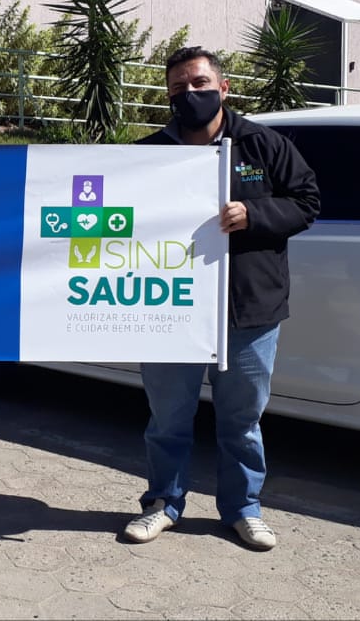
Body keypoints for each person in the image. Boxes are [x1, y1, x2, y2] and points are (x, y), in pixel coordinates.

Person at [123, 46, 319, 551]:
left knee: (242, 422)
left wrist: (255, 215)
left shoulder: (263, 145)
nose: (190, 93)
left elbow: (306, 202)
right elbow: (120, 216)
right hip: (170, 308)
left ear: (223, 88)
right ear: (168, 95)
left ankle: (243, 509)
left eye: (200, 83)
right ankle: (162, 503)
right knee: (167, 419)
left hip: (249, 311)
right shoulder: (148, 154)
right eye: (178, 87)